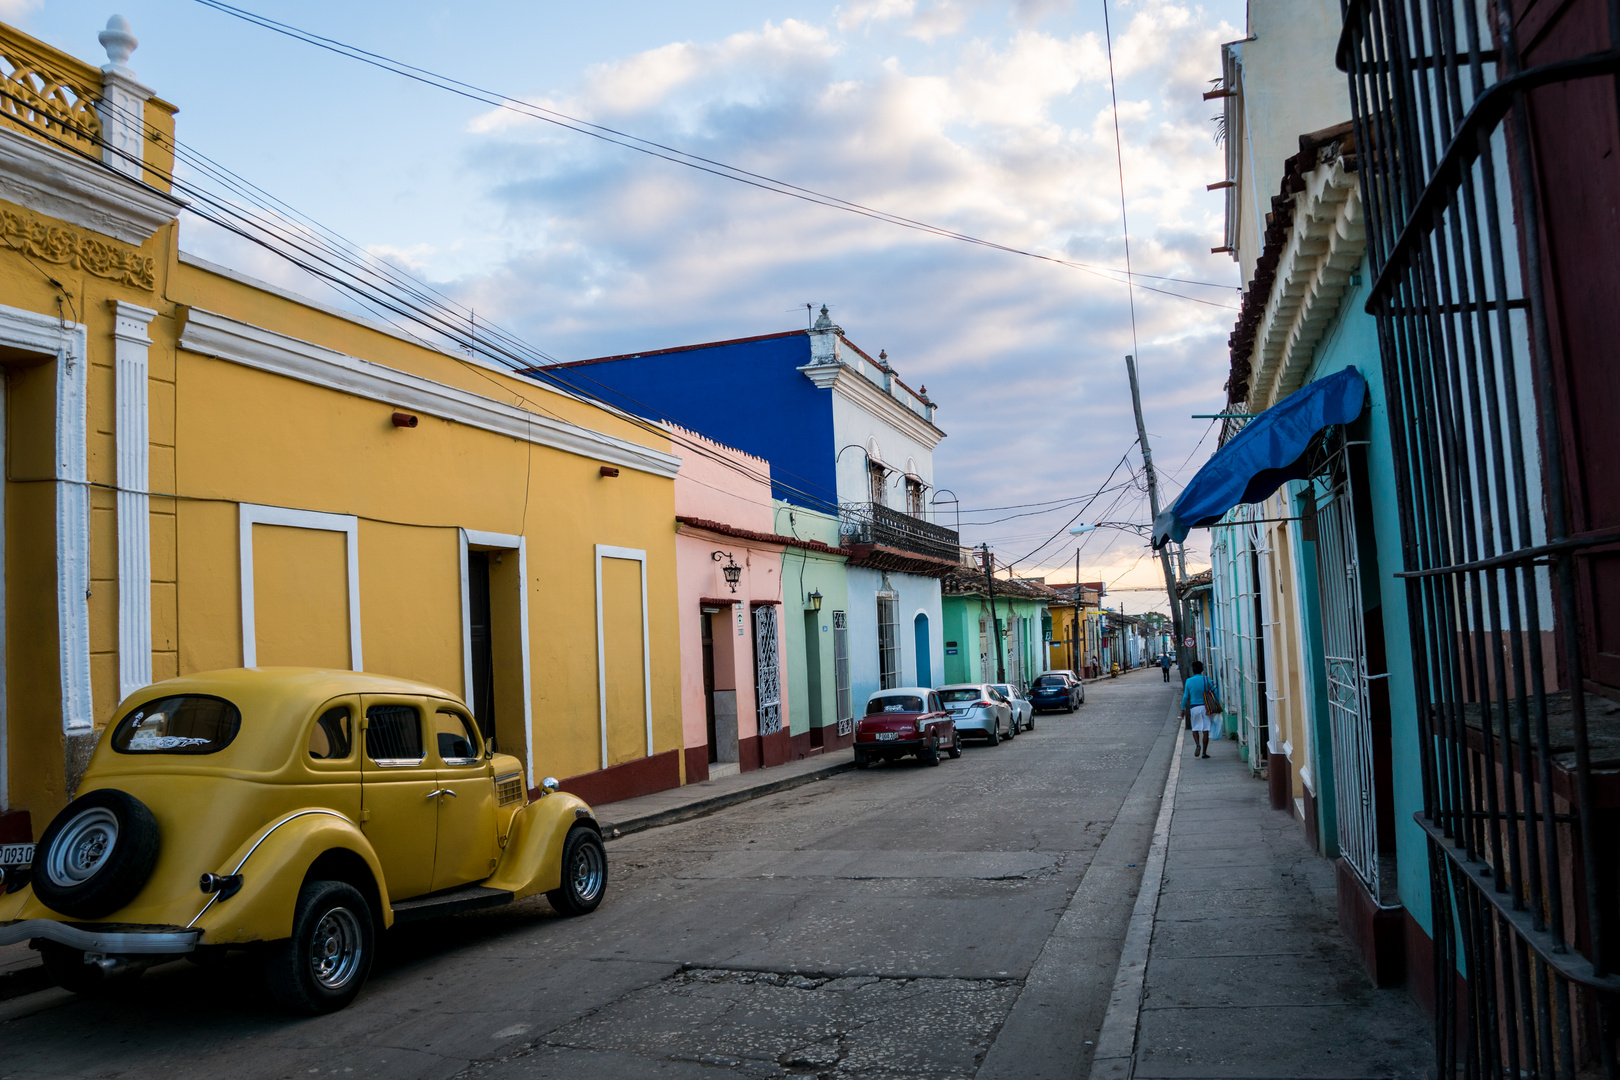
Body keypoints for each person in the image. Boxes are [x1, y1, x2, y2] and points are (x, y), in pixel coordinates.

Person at [1181, 660, 1221, 758]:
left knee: (1195, 728)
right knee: (1205, 730)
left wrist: (1182, 709)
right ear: (1201, 670)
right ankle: (1204, 753)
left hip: (1194, 707)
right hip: (1206, 707)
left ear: (1193, 670)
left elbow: (1186, 696)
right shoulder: (1206, 679)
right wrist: (1218, 702)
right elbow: (1214, 692)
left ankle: (1197, 744)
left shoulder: (1189, 681)